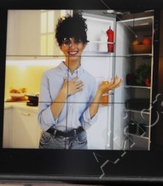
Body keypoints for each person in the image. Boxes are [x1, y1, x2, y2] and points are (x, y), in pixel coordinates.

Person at [37, 13, 120, 149]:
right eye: (67, 42)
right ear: (60, 45)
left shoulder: (90, 80)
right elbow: (43, 123)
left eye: (77, 41)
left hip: (79, 142)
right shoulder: (48, 76)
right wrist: (64, 92)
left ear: (84, 45)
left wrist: (100, 92)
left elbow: (85, 122)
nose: (72, 47)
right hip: (51, 142)